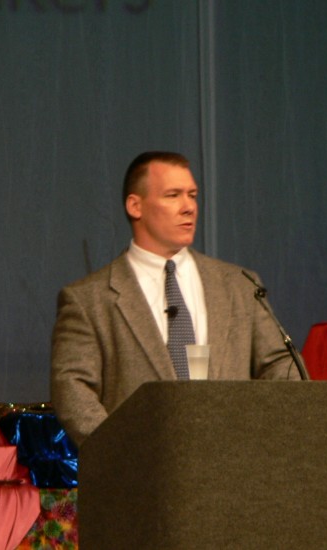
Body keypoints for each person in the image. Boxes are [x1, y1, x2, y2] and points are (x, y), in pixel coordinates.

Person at [50, 151, 301, 446]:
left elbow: (281, 366)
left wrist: (261, 437)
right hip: (140, 467)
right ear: (135, 206)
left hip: (234, 462)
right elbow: (73, 389)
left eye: (192, 195)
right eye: (173, 195)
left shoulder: (240, 285)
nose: (189, 207)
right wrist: (119, 453)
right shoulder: (89, 299)